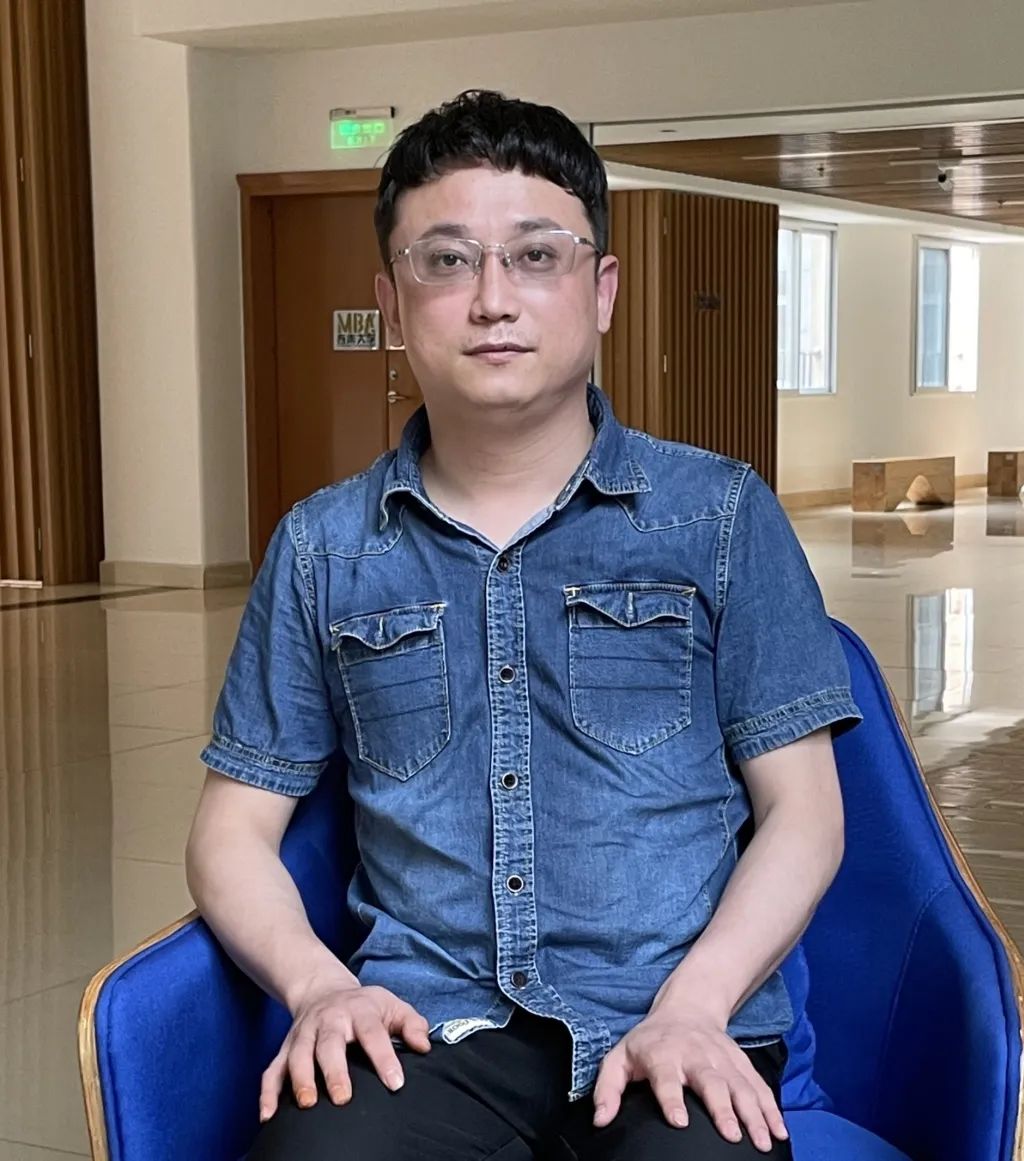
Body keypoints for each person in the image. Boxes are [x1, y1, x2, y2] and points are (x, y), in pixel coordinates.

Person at [185, 89, 862, 1160]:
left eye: (537, 257)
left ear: (602, 291)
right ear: (393, 303)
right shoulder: (323, 548)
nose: (493, 300)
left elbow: (806, 814)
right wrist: (319, 987)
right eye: (446, 261)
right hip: (426, 1027)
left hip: (673, 1015)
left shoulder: (719, 516)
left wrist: (698, 1006)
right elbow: (231, 832)